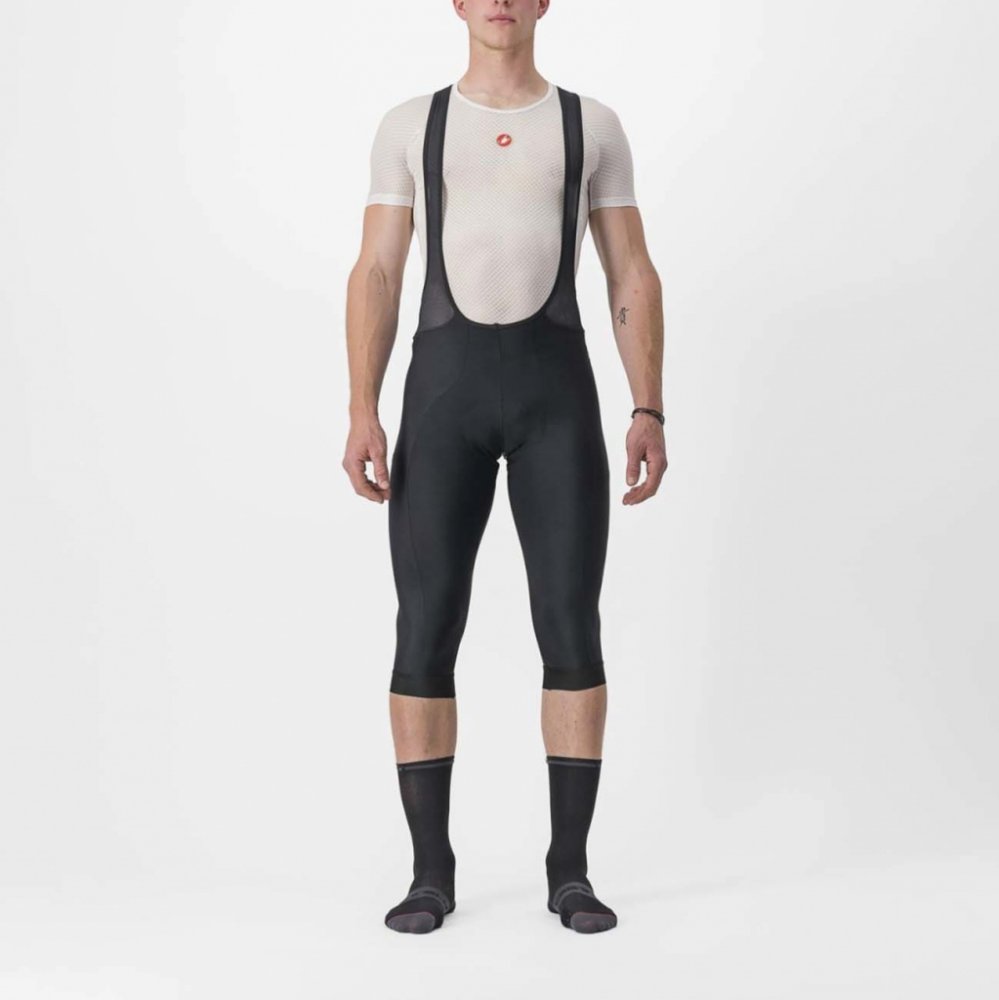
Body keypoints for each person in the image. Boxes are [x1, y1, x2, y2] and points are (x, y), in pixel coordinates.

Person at [343, 0, 666, 935]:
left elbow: (631, 270)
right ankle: (430, 874)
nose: (500, 1)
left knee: (570, 625)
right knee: (425, 628)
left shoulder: (589, 125)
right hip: (441, 398)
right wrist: (362, 407)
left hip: (554, 399)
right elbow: (376, 271)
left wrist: (647, 405)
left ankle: (570, 871)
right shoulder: (411, 125)